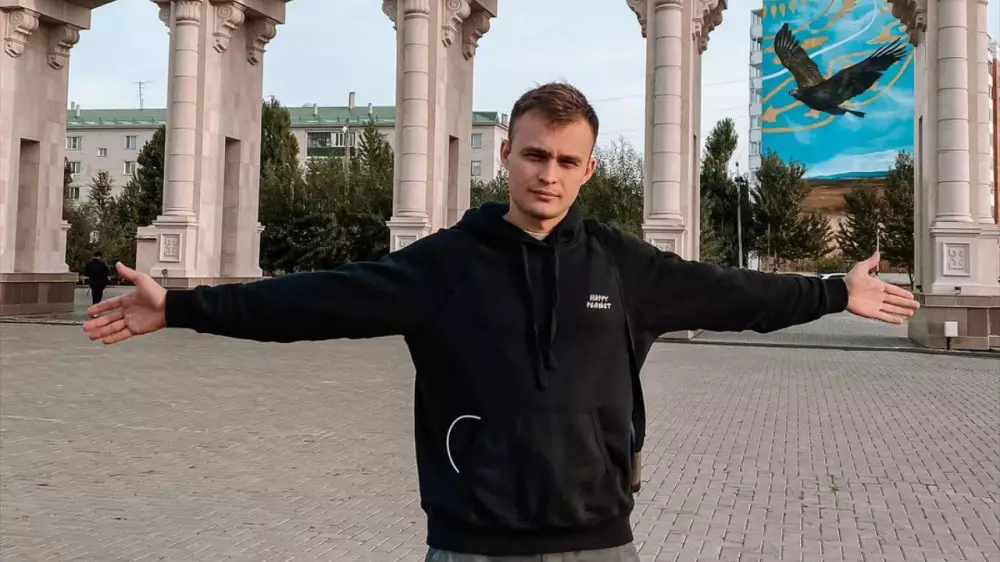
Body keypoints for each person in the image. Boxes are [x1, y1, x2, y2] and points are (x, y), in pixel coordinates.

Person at [83, 82, 919, 561]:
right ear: (508, 157)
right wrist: (181, 306)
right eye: (534, 155)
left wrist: (831, 292)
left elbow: (737, 295)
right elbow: (313, 300)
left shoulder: (623, 267)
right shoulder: (444, 265)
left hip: (598, 542)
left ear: (587, 171)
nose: (548, 174)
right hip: (471, 542)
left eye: (566, 160)